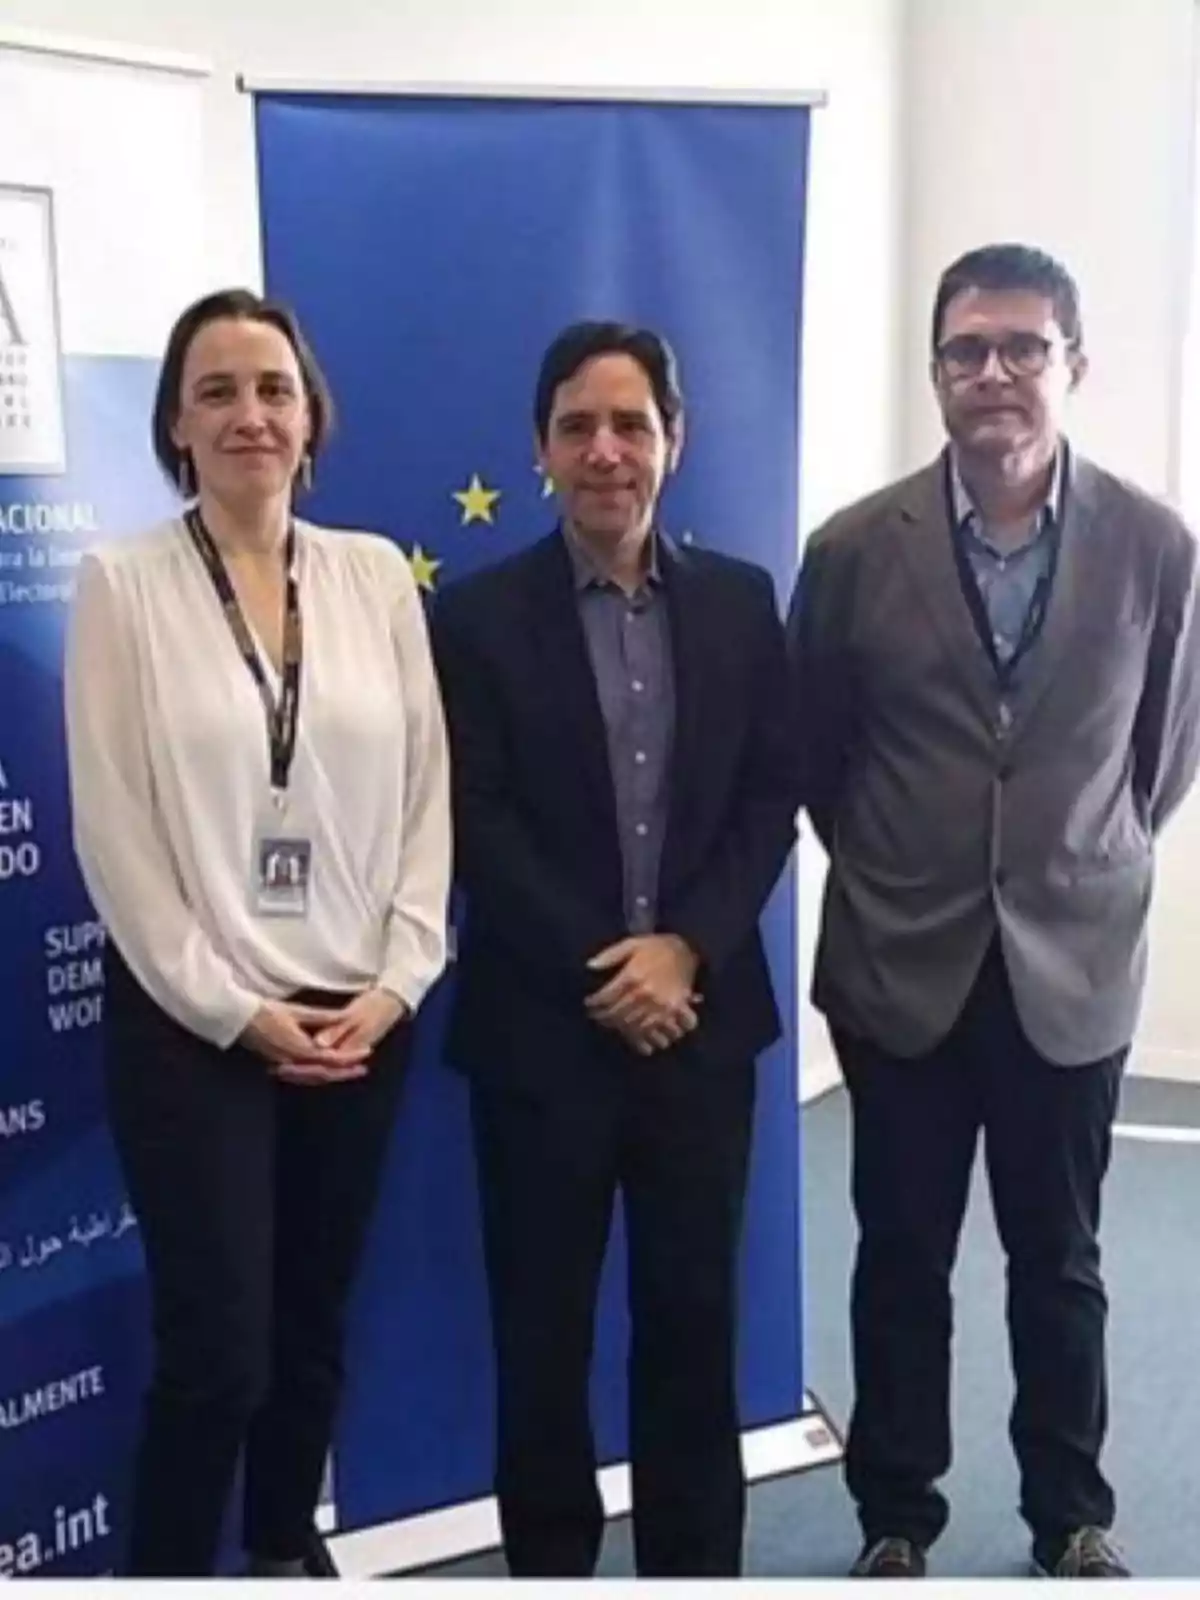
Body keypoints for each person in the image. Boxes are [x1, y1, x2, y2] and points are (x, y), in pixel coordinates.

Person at [788, 243, 1200, 1580]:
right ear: (936, 374)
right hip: (901, 960)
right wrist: (919, 866)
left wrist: (1071, 860)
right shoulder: (854, 549)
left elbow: (1164, 751)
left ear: (1074, 365)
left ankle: (1069, 1512)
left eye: (1025, 347)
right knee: (899, 1256)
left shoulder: (1155, 545)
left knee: (1060, 1259)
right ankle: (896, 1516)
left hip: (1071, 963)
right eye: (967, 350)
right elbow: (817, 756)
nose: (995, 375)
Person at [63, 288, 451, 1577]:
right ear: (175, 422)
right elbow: (116, 840)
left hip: (360, 1013)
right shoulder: (121, 587)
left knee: (312, 1331)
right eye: (217, 391)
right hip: (195, 1027)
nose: (249, 415)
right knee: (220, 1351)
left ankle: (286, 1550)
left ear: (311, 416)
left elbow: (424, 800)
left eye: (272, 389)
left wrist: (398, 982)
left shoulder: (376, 574)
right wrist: (234, 1008)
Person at [430, 321, 799, 1577]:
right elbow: (472, 819)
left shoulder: (746, 602)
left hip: (700, 1035)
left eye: (630, 425)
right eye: (578, 426)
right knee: (541, 1345)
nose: (605, 451)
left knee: (693, 1335)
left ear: (674, 443)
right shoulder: (473, 619)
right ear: (540, 448)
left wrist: (685, 950)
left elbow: (769, 798)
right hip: (544, 1041)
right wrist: (611, 964)